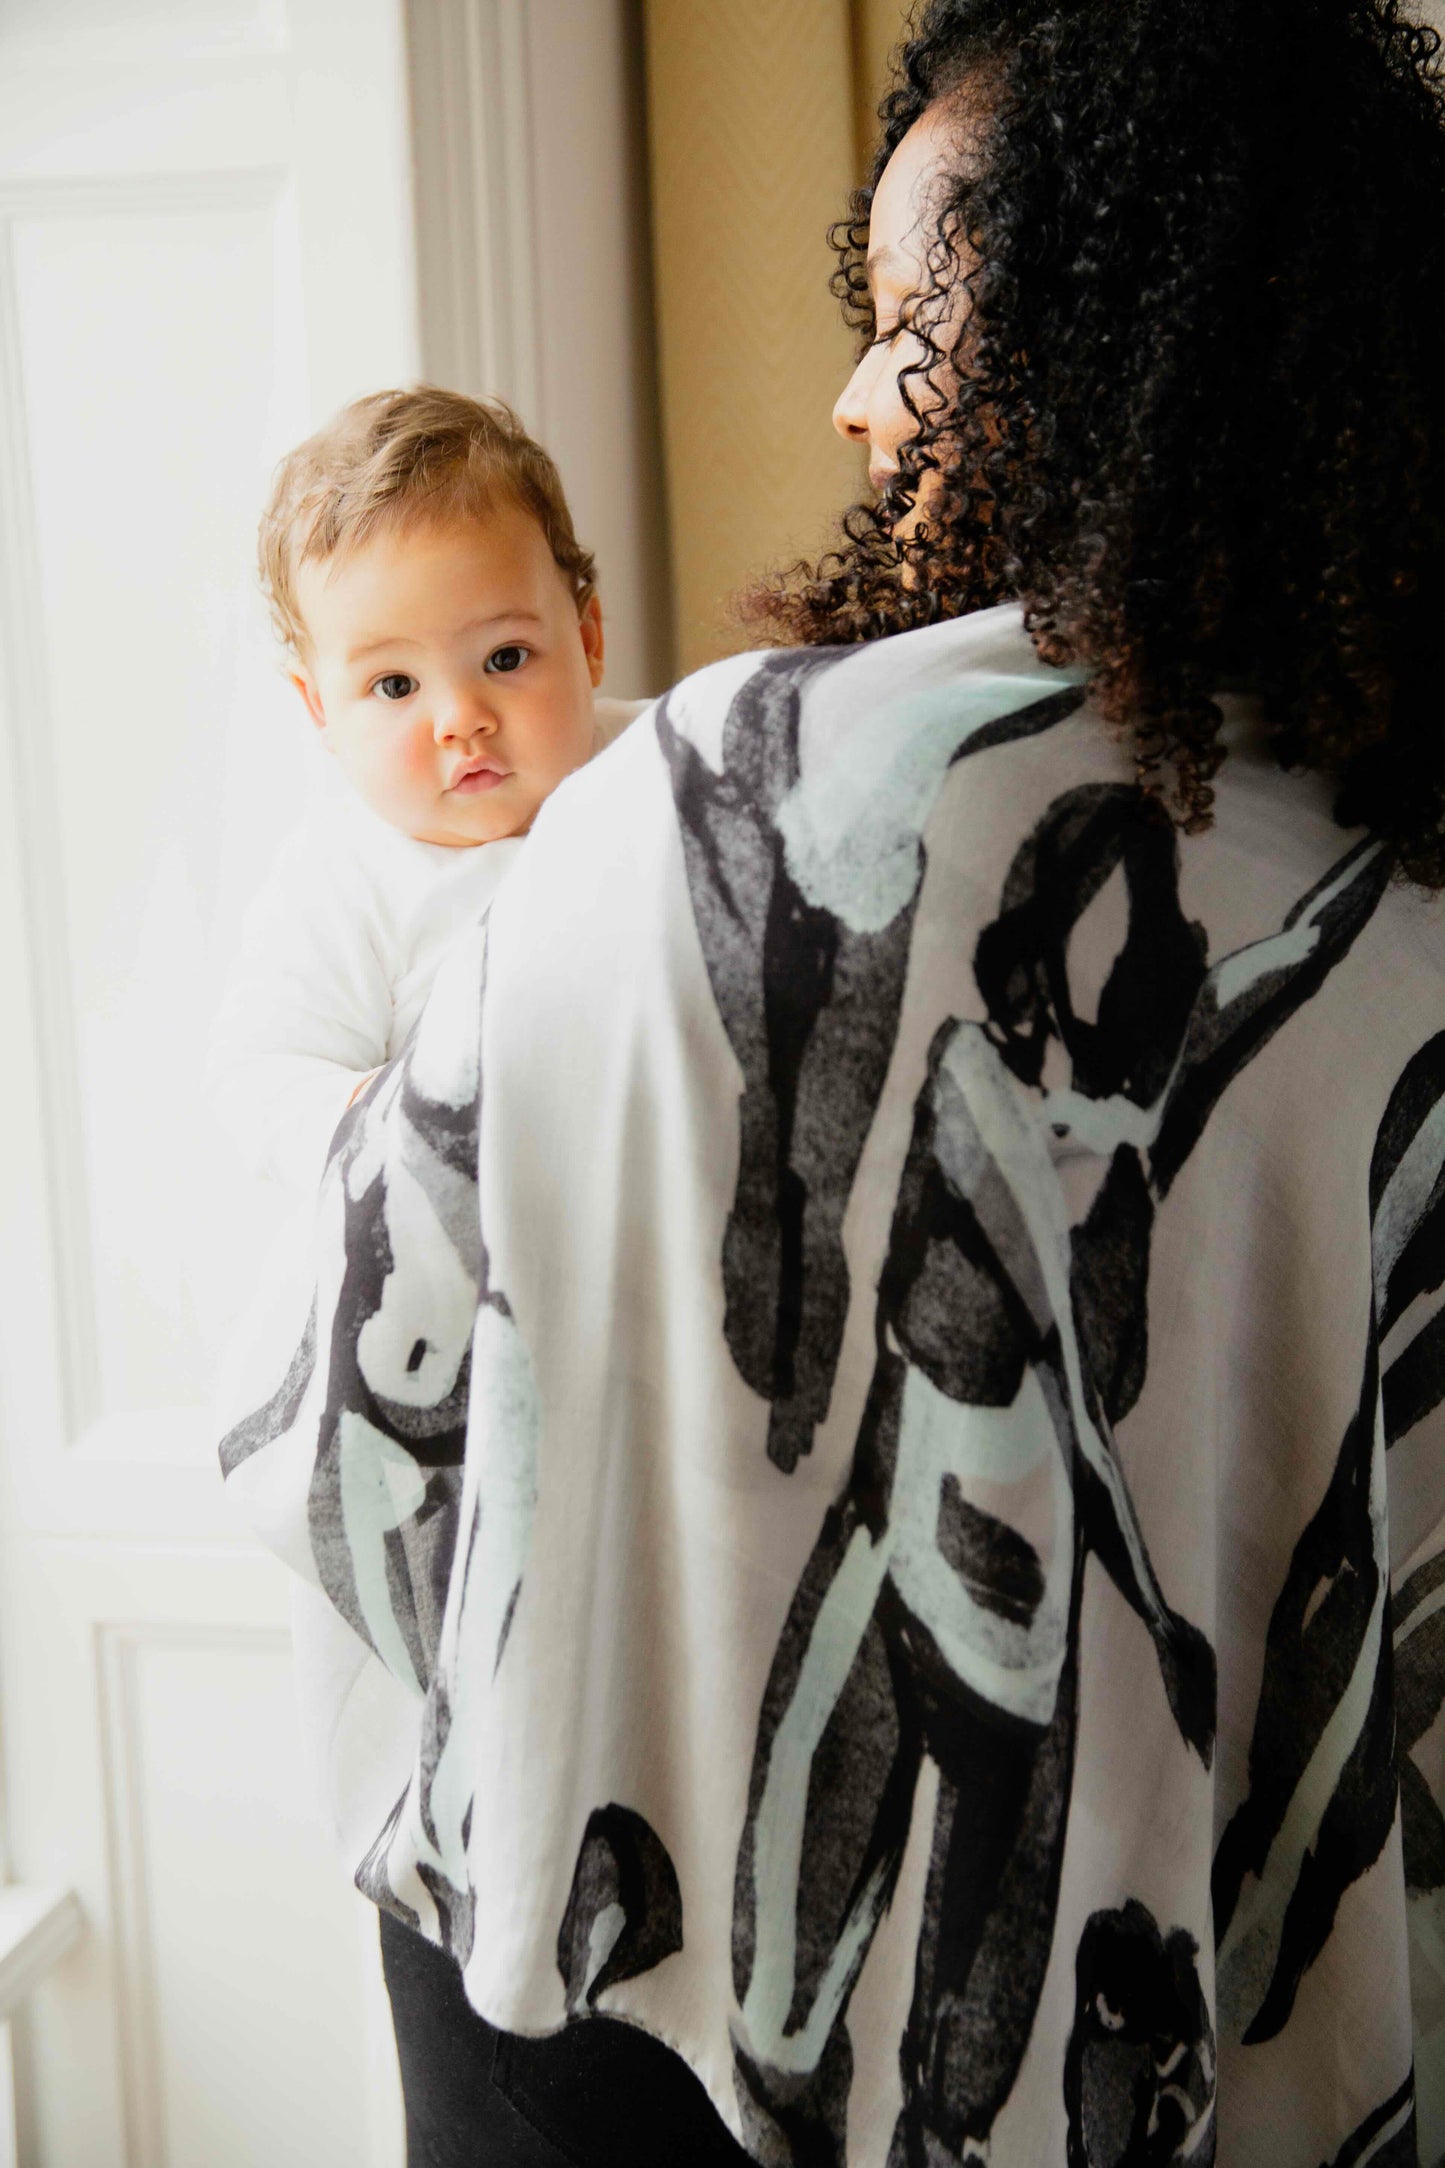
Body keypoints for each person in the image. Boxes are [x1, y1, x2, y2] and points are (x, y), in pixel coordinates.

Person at [218, 2, 1445, 2163]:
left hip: (648, 1990)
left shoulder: (750, 795)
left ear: (1111, 349)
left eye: (912, 329)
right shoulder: (1407, 869)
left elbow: (369, 1412)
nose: (853, 402)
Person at [208, 386, 644, 1197]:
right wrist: (394, 1127)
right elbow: (264, 1079)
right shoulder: (345, 882)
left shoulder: (663, 762)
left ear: (587, 640)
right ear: (320, 710)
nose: (460, 719)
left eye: (505, 658)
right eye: (396, 685)